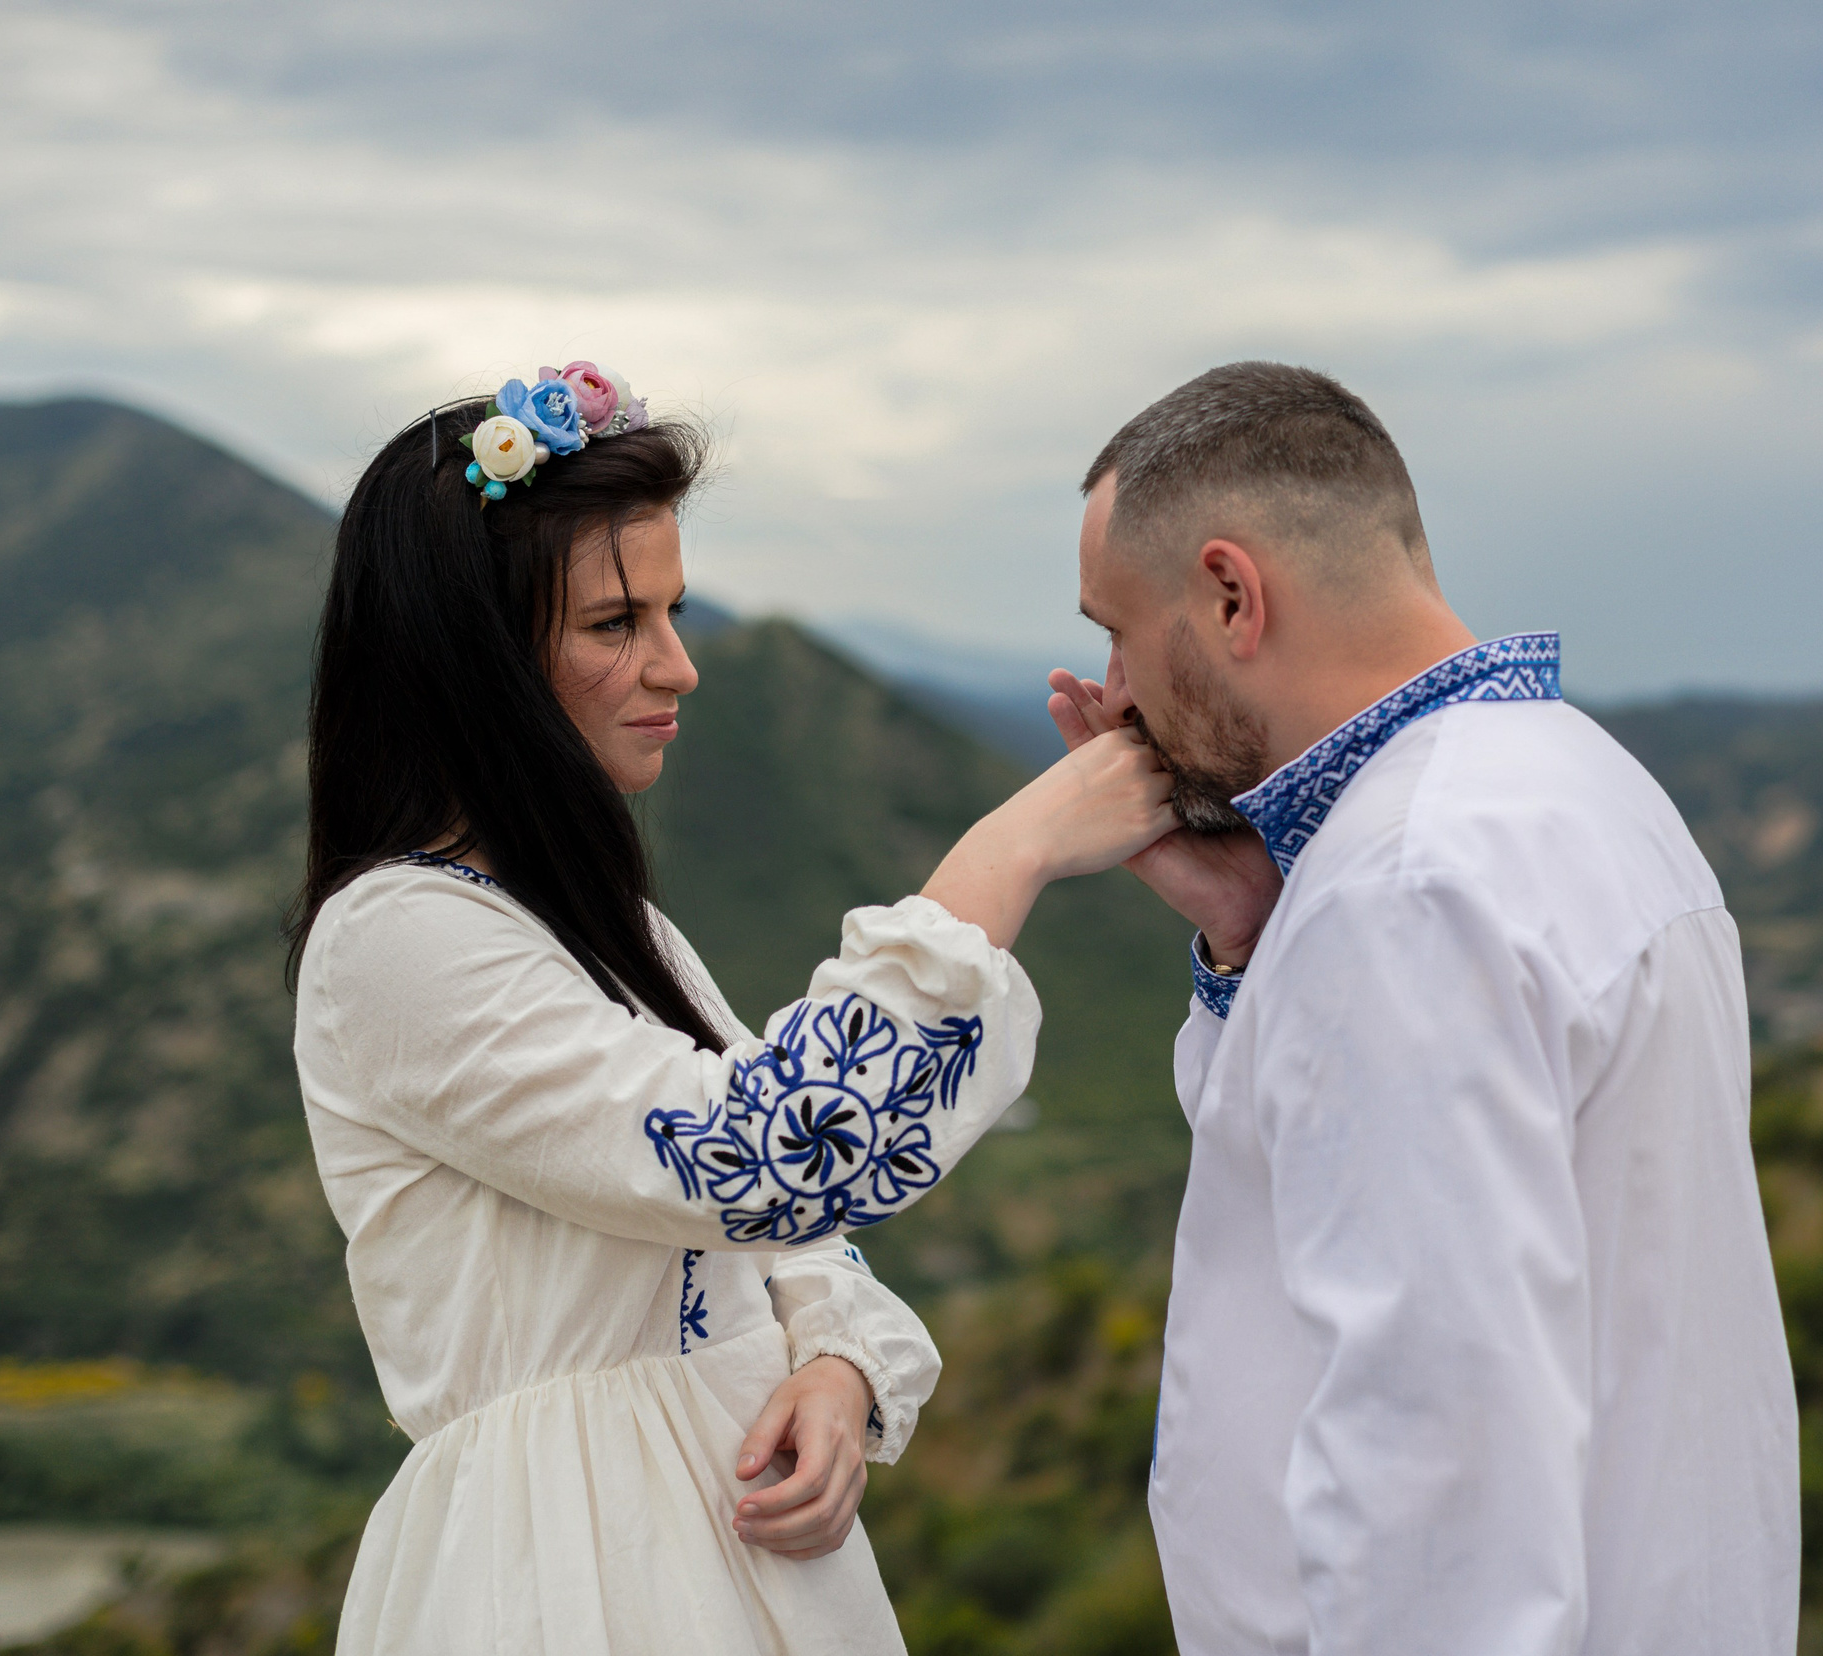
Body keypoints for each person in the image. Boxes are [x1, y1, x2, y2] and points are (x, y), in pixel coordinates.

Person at [286, 366, 1173, 1655]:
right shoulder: (396, 940)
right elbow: (768, 1154)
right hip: (566, 1573)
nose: (678, 665)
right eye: (614, 624)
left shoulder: (607, 925)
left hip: (732, 1544)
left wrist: (839, 1356)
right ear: (476, 664)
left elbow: (776, 1226)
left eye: (672, 610)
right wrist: (1008, 853)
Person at [1047, 362, 1800, 1654]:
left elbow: (1436, 1437)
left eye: (1117, 625)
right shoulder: (1577, 784)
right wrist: (1249, 938)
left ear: (1231, 593)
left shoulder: (1404, 888)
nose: (1111, 685)